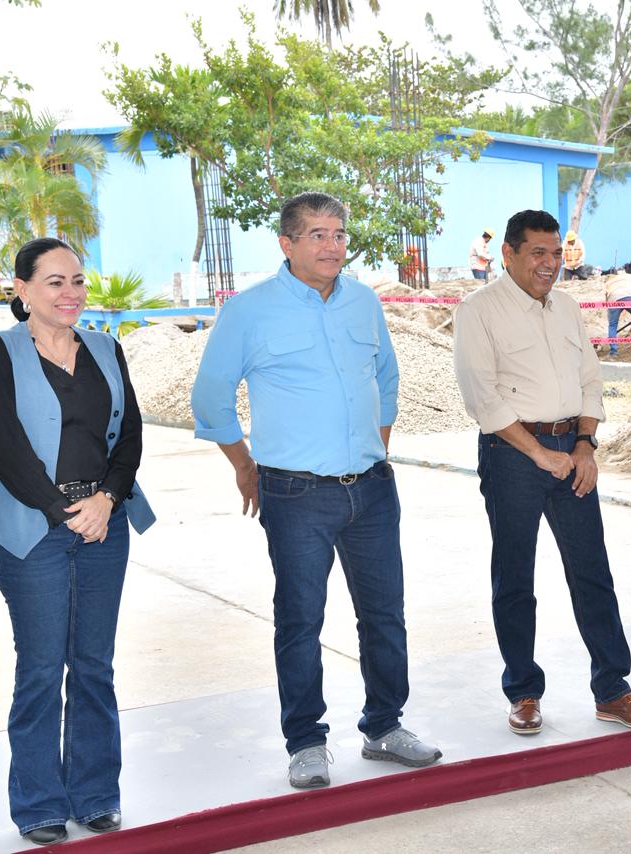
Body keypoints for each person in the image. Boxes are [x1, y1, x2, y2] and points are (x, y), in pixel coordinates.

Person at [191, 191, 441, 789]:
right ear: (287, 244)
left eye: (339, 234)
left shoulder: (362, 301)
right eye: (318, 235)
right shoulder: (248, 310)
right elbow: (211, 397)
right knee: (300, 620)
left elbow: (386, 376)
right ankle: (305, 741)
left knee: (385, 615)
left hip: (373, 490)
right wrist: (243, 465)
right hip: (297, 495)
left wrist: (376, 441)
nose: (333, 246)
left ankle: (385, 726)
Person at [0, 238, 155, 845]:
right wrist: (63, 511)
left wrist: (106, 500)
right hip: (35, 531)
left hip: (106, 523)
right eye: (53, 281)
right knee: (43, 669)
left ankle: (96, 794)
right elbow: (6, 447)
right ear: (21, 290)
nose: (70, 292)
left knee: (95, 667)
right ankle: (39, 804)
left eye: (77, 279)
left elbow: (128, 435)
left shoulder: (107, 349)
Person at [453, 209, 631, 735]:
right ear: (508, 254)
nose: (550, 264)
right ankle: (523, 691)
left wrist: (586, 445)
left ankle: (613, 689)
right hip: (512, 457)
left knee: (592, 571)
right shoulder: (477, 311)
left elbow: (591, 381)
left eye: (556, 254)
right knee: (515, 576)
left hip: (573, 453)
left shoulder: (567, 308)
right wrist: (539, 453)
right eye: (538, 254)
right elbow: (483, 396)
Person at [605, 262, 631, 357]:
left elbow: (607, 302)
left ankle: (613, 351)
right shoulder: (629, 277)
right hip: (630, 295)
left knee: (613, 325)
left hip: (614, 299)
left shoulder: (608, 282)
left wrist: (610, 320)